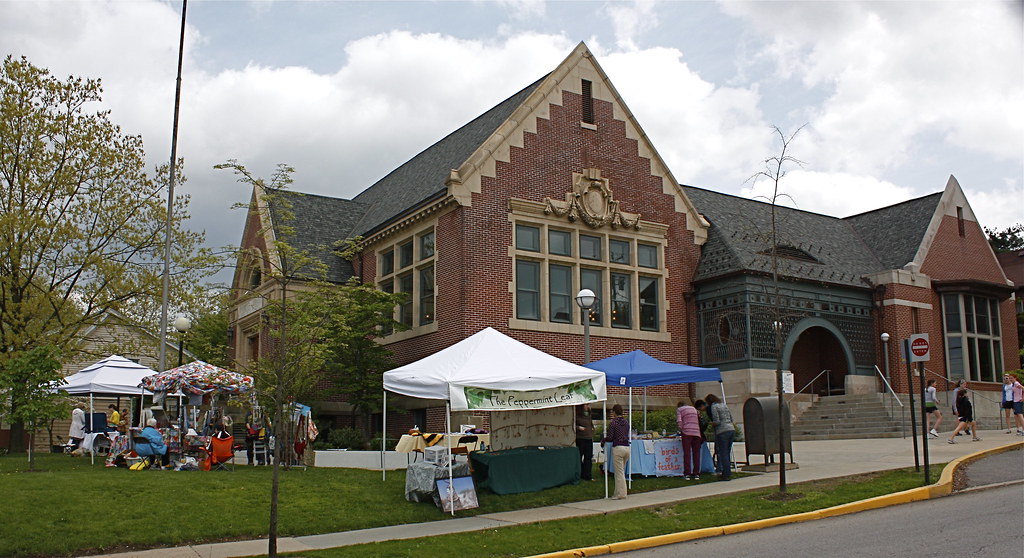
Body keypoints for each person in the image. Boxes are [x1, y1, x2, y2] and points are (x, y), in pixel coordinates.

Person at [601, 404, 630, 499]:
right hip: (627, 447)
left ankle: (621, 494)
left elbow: (610, 437)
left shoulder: (613, 423)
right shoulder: (626, 422)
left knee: (619, 472)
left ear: (614, 412)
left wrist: (603, 440)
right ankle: (619, 492)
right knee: (622, 471)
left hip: (618, 447)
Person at [706, 393, 734, 481]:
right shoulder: (724, 405)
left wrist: (710, 423)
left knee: (723, 453)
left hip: (722, 431)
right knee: (727, 452)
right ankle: (728, 472)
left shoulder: (714, 407)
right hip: (731, 429)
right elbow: (731, 418)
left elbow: (717, 421)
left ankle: (725, 474)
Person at [676, 400, 701, 480]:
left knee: (687, 453)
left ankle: (687, 474)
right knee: (696, 453)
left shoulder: (680, 410)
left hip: (687, 432)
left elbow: (679, 421)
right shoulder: (694, 409)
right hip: (697, 432)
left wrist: (681, 428)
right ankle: (696, 473)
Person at [574, 403, 594, 481]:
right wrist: (579, 428)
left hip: (589, 438)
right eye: (586, 405)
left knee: (588, 458)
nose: (587, 407)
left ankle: (588, 475)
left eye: (588, 405)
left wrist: (592, 429)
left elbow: (591, 424)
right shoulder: (577, 415)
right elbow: (573, 425)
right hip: (580, 438)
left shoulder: (589, 415)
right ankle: (580, 473)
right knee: (579, 457)